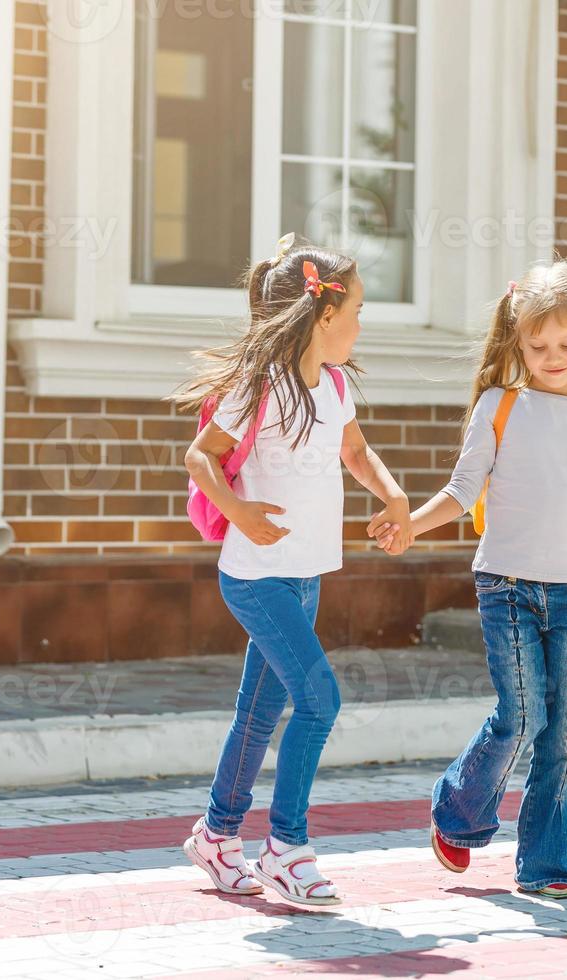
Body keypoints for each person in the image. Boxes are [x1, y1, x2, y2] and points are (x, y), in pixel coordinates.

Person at [373, 260, 567, 899]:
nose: (552, 357)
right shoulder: (499, 407)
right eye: (537, 346)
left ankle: (551, 865)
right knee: (523, 714)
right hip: (505, 588)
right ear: (517, 340)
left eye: (566, 344)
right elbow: (462, 488)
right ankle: (459, 809)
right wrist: (412, 525)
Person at [179, 235, 413, 907]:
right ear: (322, 316)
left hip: (306, 574)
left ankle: (217, 836)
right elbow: (201, 457)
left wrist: (392, 493)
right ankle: (287, 849)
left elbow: (357, 451)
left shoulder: (334, 386)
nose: (363, 324)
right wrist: (239, 510)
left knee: (260, 713)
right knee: (319, 701)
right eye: (359, 310)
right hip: (255, 575)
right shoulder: (263, 388)